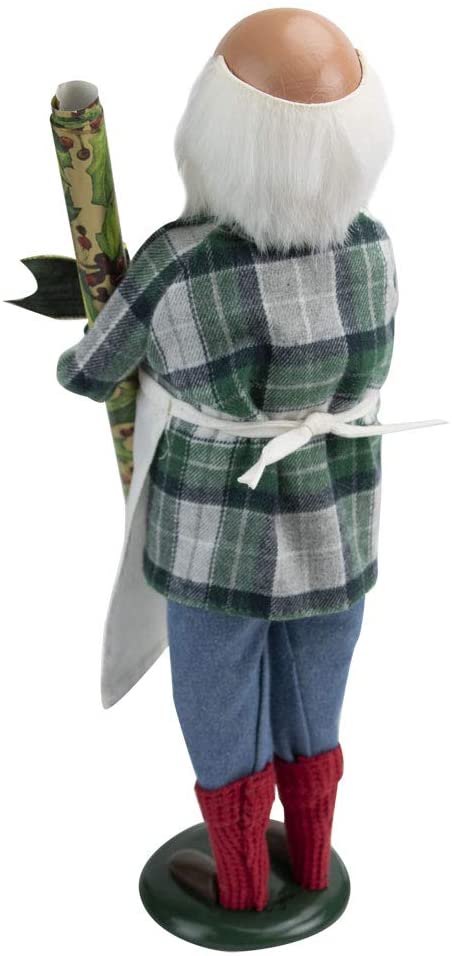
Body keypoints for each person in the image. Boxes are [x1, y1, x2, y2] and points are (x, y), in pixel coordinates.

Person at [56, 8, 398, 911]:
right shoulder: (375, 248)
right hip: (338, 530)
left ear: (219, 129)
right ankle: (311, 863)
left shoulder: (178, 263)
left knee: (217, 699)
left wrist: (95, 305)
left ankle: (242, 883)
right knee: (317, 697)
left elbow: (90, 373)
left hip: (215, 543)